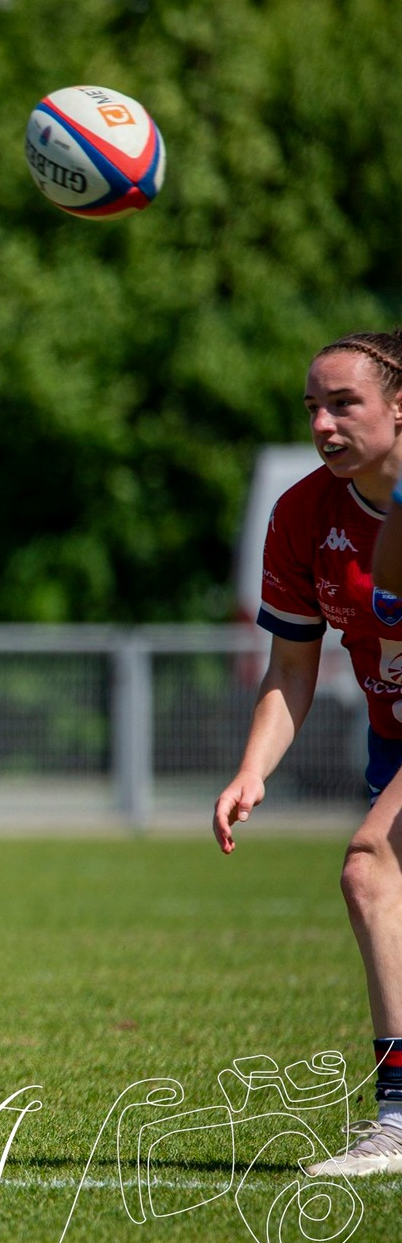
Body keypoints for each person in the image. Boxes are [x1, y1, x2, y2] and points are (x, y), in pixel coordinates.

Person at [217, 329, 402, 1178]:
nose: (323, 423)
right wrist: (253, 768)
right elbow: (292, 666)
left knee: (370, 868)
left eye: (344, 404)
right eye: (313, 408)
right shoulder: (301, 514)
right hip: (390, 738)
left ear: (399, 408)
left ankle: (397, 1122)